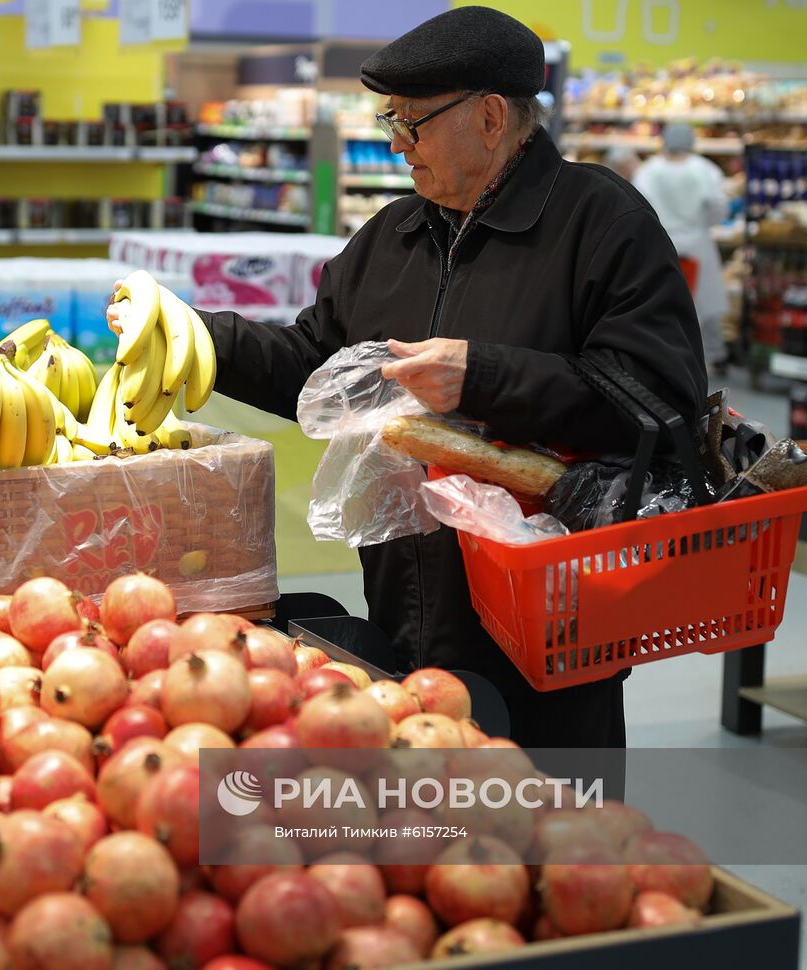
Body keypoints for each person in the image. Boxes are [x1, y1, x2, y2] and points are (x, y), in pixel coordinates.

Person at [113, 7, 706, 748]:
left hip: (553, 639)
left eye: (413, 123)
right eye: (390, 120)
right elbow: (315, 367)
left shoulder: (602, 224)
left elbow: (659, 405)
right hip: (405, 610)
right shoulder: (390, 236)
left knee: (553, 839)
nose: (397, 145)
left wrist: (482, 376)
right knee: (426, 837)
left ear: (491, 117)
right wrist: (200, 333)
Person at [633, 123, 731, 375]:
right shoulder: (705, 170)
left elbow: (638, 207)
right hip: (698, 244)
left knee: (660, 303)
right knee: (703, 306)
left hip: (661, 244)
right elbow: (718, 207)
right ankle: (709, 359)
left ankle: (662, 359)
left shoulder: (649, 170)